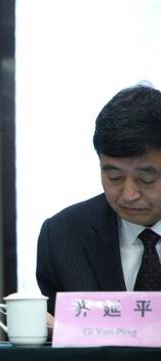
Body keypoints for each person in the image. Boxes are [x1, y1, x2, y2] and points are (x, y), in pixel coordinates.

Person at [37, 83, 161, 313]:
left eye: (146, 179)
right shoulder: (62, 236)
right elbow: (55, 326)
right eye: (114, 176)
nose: (129, 195)